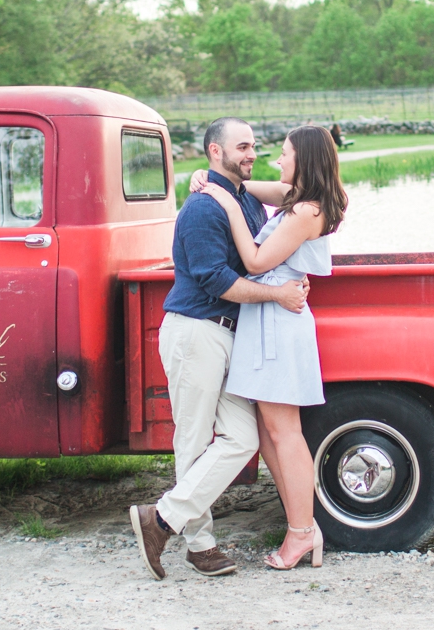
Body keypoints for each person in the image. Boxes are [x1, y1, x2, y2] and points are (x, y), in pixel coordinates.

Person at [128, 117, 309, 581]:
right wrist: (278, 294)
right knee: (191, 437)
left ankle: (162, 517)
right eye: (242, 146)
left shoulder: (242, 198)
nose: (252, 153)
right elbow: (215, 279)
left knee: (242, 438)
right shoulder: (202, 209)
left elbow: (304, 197)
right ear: (215, 151)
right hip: (196, 332)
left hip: (229, 335)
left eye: (254, 146)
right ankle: (200, 543)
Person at [198, 124, 346, 571]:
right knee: (268, 435)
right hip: (269, 318)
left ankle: (302, 532)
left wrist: (224, 202)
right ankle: (301, 526)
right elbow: (251, 184)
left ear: (303, 159)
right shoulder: (294, 199)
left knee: (285, 433)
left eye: (283, 154)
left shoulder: (307, 210)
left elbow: (256, 262)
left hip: (280, 324)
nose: (276, 161)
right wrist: (212, 179)